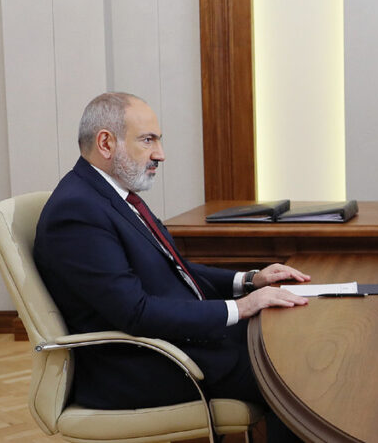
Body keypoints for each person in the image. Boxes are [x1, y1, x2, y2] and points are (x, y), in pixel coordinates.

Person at [34, 92, 309, 441]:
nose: (160, 154)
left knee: (290, 344)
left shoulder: (111, 195)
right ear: (106, 143)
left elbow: (173, 268)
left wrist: (249, 280)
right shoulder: (77, 210)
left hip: (175, 342)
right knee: (291, 376)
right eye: (148, 140)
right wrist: (240, 308)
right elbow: (134, 312)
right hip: (139, 365)